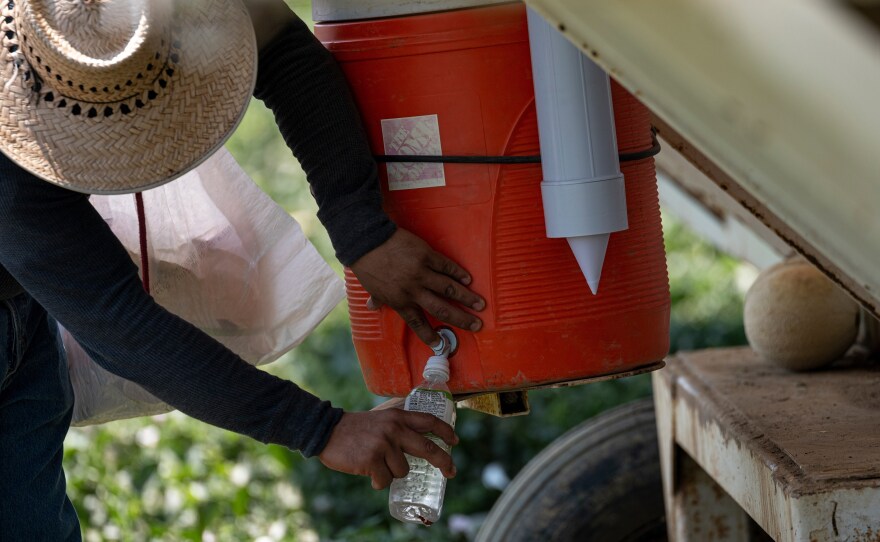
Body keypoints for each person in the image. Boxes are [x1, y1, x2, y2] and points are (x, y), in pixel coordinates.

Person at [0, 0, 484, 539]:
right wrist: (321, 429)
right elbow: (122, 323)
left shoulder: (145, 13)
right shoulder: (13, 179)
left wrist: (360, 228)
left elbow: (281, 49)